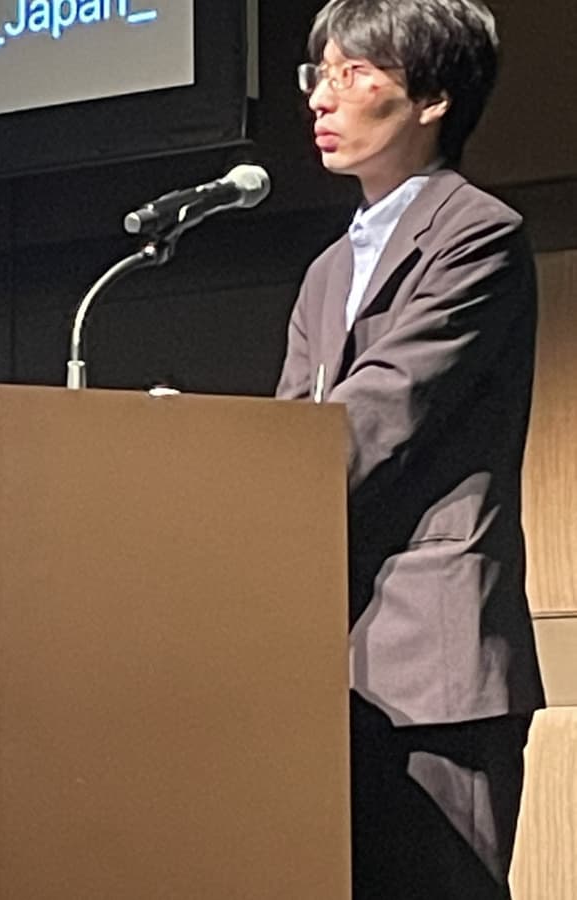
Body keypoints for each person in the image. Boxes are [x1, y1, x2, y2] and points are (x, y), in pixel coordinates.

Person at [275, 0, 545, 896]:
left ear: (432, 98)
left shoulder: (478, 234)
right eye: (319, 74)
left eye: (353, 74)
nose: (322, 98)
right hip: (329, 658)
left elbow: (385, 409)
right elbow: (292, 428)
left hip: (436, 663)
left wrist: (244, 491)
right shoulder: (327, 271)